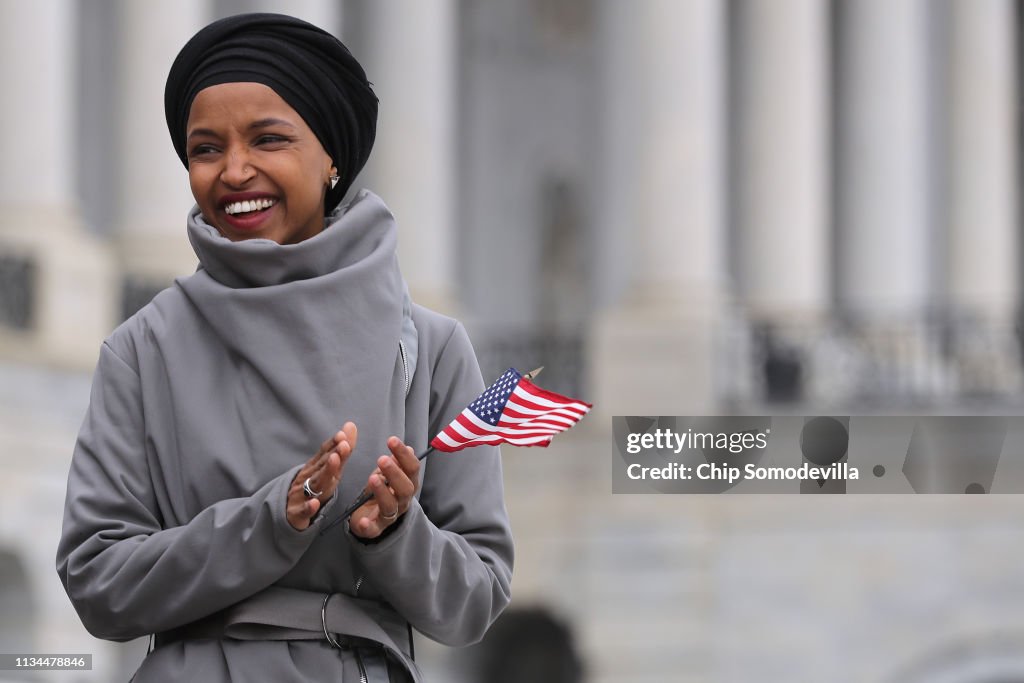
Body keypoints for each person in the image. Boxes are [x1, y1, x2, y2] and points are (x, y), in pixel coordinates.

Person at [56, 13, 513, 682]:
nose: (233, 171)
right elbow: (97, 578)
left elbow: (476, 597)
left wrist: (393, 531)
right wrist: (270, 520)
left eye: (267, 139)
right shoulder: (144, 347)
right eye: (206, 148)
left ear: (332, 156)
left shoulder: (434, 348)